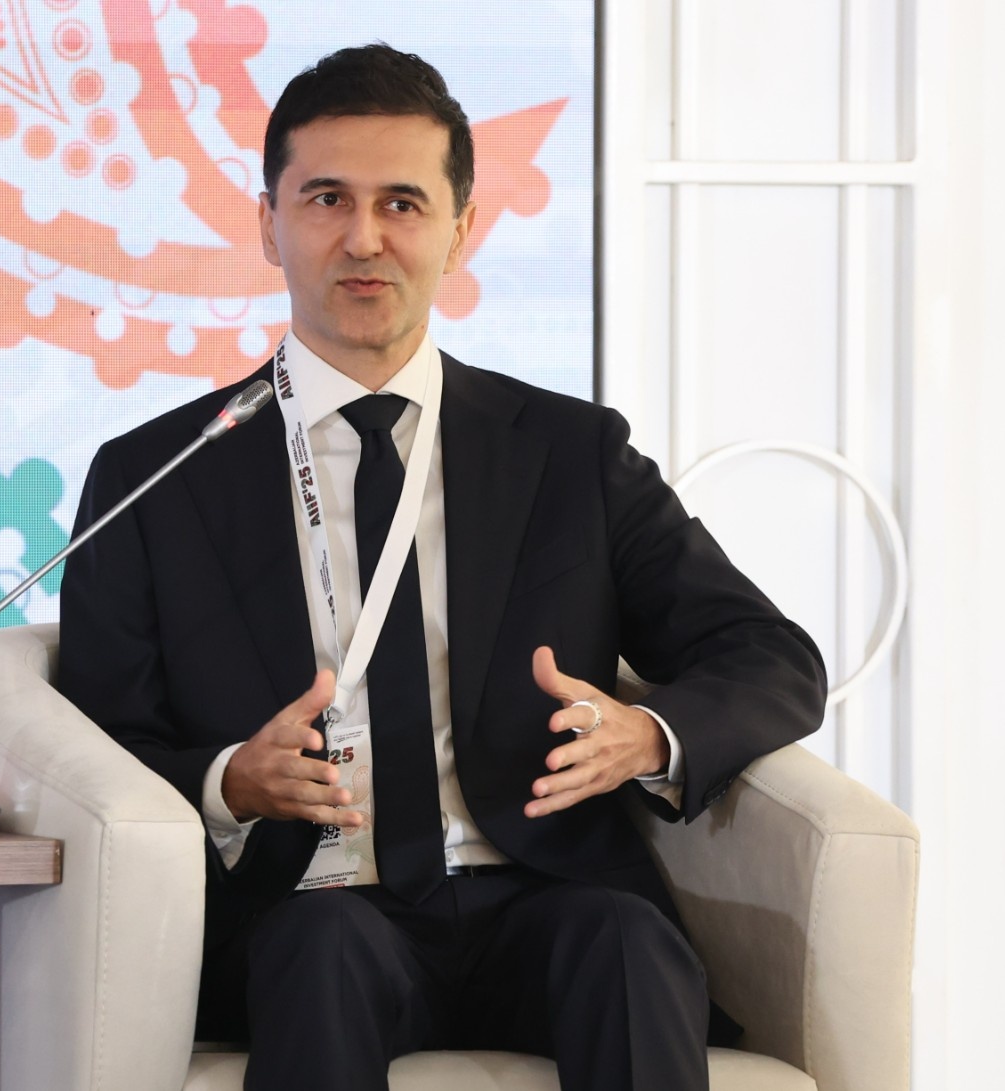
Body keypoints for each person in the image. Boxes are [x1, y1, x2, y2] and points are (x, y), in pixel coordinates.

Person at [58, 43, 827, 1091]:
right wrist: (228, 779)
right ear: (268, 223)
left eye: (403, 204)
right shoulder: (158, 475)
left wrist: (646, 734)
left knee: (626, 941)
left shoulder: (569, 454)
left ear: (463, 228)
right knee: (322, 952)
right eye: (327, 198)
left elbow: (770, 654)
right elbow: (96, 740)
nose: (364, 238)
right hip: (307, 905)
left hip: (537, 889)